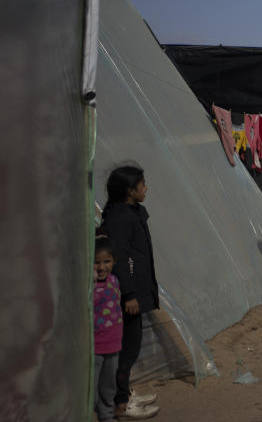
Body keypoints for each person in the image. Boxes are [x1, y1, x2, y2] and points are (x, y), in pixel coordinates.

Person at [99, 166, 160, 420]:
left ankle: (123, 393)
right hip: (128, 295)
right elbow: (120, 259)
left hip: (135, 290)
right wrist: (130, 294)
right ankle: (120, 402)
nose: (145, 187)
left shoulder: (129, 213)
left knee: (129, 347)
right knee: (126, 350)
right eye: (142, 184)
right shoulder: (120, 219)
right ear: (129, 191)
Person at [93, 235, 123, 422]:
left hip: (113, 345)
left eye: (107, 261)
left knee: (108, 386)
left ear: (114, 262)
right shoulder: (89, 286)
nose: (102, 267)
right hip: (95, 347)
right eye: (96, 262)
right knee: (90, 388)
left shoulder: (114, 281)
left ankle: (106, 416)